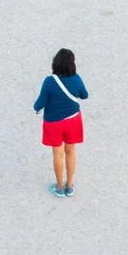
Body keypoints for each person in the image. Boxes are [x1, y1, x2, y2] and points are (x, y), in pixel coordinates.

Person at [33, 49, 89, 196]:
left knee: (58, 154)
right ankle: (69, 186)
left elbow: (40, 103)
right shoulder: (77, 79)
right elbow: (84, 95)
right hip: (73, 120)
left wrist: (36, 108)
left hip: (53, 123)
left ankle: (59, 187)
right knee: (70, 151)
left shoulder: (49, 81)